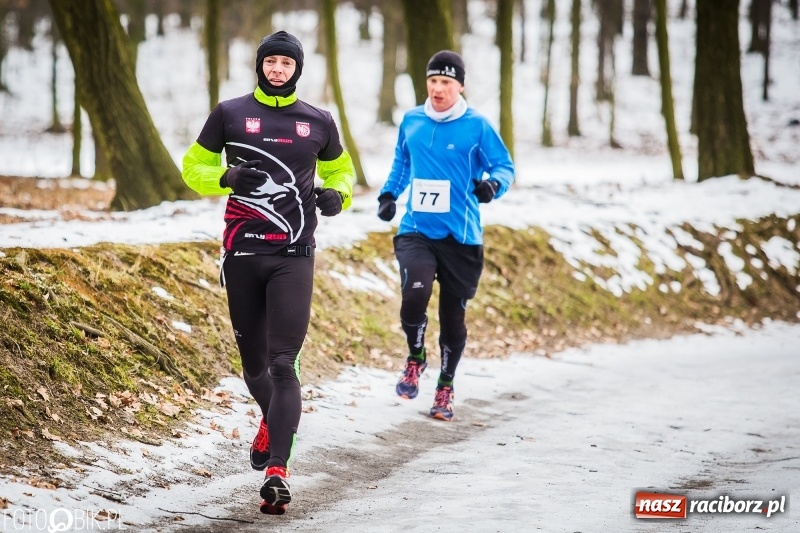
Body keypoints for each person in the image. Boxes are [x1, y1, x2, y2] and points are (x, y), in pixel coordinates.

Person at [181, 30, 354, 515]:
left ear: (297, 69)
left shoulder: (317, 121)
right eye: (271, 62)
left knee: (283, 363)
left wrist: (337, 196)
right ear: (260, 66)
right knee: (254, 366)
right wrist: (226, 176)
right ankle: (270, 418)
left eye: (286, 63)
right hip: (241, 254)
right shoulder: (230, 113)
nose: (278, 70)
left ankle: (278, 469)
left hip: (294, 255)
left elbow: (343, 172)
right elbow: (191, 167)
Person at [377, 50, 514, 422]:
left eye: (447, 83)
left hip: (461, 237)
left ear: (460, 86)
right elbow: (402, 162)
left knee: (453, 320)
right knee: (413, 297)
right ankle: (416, 358)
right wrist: (390, 194)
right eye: (433, 81)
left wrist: (493, 186)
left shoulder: (477, 126)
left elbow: (504, 166)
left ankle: (445, 386)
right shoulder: (412, 120)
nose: (438, 89)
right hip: (417, 230)